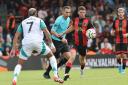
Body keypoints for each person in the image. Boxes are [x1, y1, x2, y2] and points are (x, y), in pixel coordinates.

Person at [10, 8, 64, 85]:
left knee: (19, 64)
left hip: (26, 43)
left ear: (28, 14)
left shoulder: (23, 22)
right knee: (51, 56)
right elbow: (47, 33)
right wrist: (51, 45)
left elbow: (16, 36)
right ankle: (55, 75)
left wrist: (13, 48)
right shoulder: (39, 21)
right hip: (38, 42)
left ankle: (15, 79)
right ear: (36, 14)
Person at [43, 6, 75, 81]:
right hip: (56, 41)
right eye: (66, 12)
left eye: (69, 12)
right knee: (55, 59)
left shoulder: (68, 19)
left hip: (63, 41)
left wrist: (64, 35)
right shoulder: (58, 20)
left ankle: (53, 69)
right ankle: (50, 74)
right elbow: (52, 31)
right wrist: (61, 38)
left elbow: (67, 28)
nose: (68, 14)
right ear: (63, 12)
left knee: (69, 57)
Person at [62, 6, 94, 76]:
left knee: (82, 61)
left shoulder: (88, 21)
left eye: (83, 12)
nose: (82, 13)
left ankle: (82, 69)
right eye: (81, 12)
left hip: (83, 44)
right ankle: (66, 74)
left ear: (85, 12)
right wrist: (63, 33)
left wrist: (92, 34)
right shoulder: (75, 20)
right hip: (75, 43)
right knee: (72, 56)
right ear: (78, 12)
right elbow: (72, 28)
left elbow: (92, 31)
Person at [112, 7, 128, 74]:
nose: (121, 13)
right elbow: (113, 29)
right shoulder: (115, 21)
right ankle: (120, 66)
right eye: (119, 12)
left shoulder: (127, 21)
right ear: (118, 13)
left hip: (124, 41)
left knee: (124, 55)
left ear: (124, 13)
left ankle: (123, 69)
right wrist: (112, 32)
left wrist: (127, 34)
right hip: (118, 40)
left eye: (122, 12)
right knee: (118, 56)